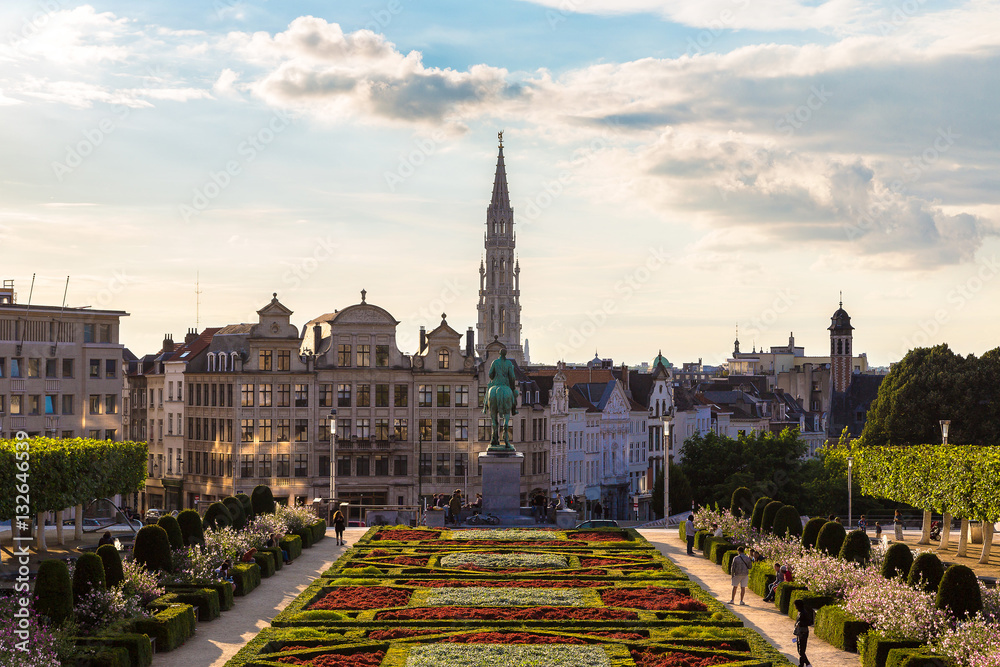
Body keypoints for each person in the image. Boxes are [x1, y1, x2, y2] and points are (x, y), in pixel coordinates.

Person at [793, 598, 814, 666]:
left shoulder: (804, 613)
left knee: (801, 650)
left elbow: (810, 622)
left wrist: (800, 624)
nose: (795, 607)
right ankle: (803, 664)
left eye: (796, 605)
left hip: (803, 633)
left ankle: (805, 664)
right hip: (800, 632)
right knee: (800, 650)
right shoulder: (800, 612)